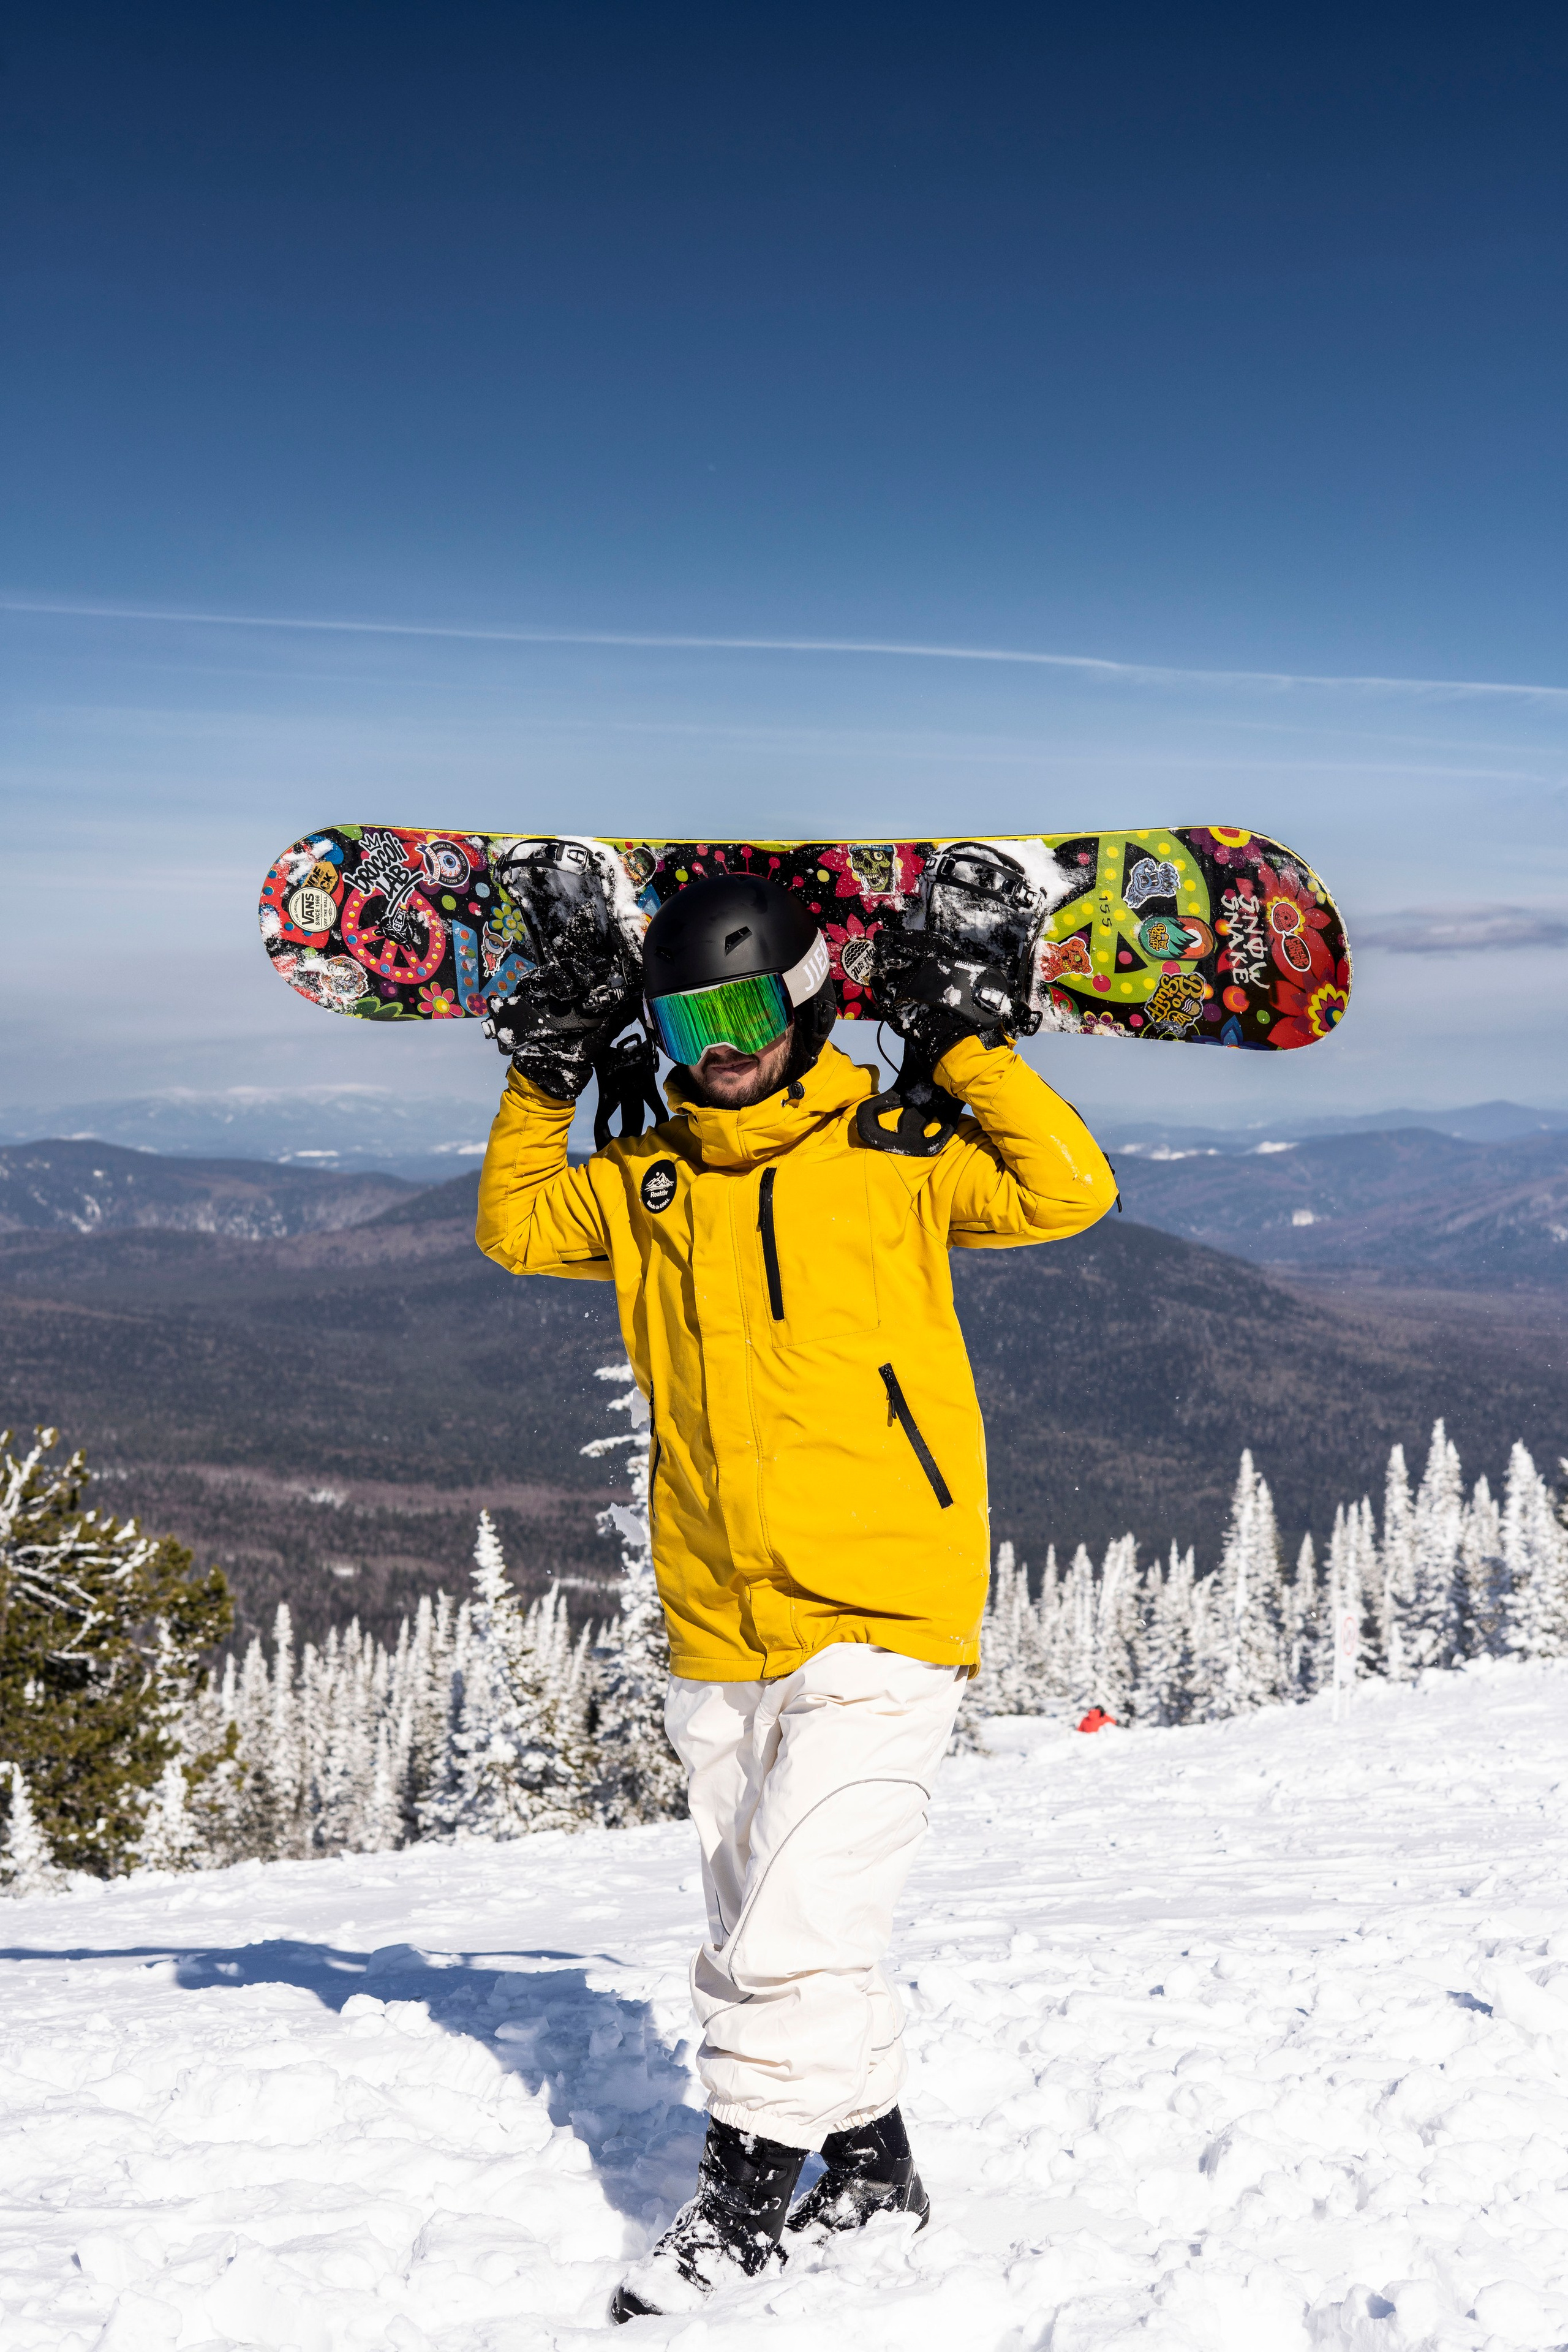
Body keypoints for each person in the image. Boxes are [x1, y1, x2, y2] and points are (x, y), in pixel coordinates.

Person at [475, 870, 1117, 2320]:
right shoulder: (645, 1185)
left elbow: (1067, 1189)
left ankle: (742, 2204)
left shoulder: (893, 1154)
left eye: (751, 1003)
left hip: (884, 1606)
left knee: (791, 1929)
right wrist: (543, 1077)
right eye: (693, 1010)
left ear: (809, 994)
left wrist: (960, 1049)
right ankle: (873, 2164)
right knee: (754, 1913)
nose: (725, 1038)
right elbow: (513, 1226)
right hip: (718, 1614)